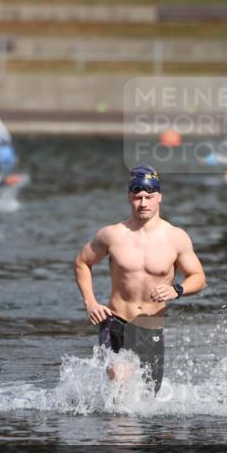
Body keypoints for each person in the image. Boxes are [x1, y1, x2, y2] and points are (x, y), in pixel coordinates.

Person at [73, 166, 206, 395]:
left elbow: (199, 278)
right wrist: (91, 302)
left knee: (147, 399)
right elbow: (82, 262)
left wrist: (177, 289)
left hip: (150, 325)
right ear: (129, 198)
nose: (143, 203)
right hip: (115, 320)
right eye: (137, 198)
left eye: (149, 197)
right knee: (120, 384)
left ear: (159, 198)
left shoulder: (176, 237)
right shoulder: (112, 234)